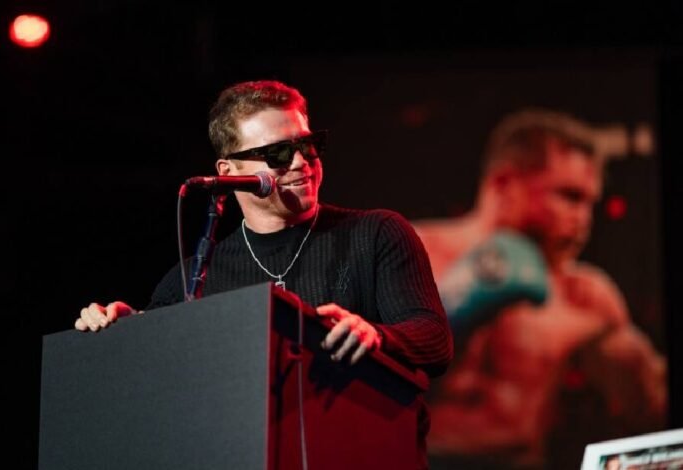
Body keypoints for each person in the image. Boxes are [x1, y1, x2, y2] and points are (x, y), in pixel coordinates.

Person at [74, 80, 454, 469]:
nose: (301, 162)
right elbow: (160, 388)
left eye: (308, 145)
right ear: (229, 171)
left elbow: (434, 339)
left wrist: (377, 335)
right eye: (278, 153)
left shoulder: (375, 234)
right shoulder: (195, 276)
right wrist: (128, 335)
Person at [409, 109, 667, 469]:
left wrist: (638, 375)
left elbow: (650, 413)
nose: (584, 219)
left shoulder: (584, 295)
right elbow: (345, 380)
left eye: (590, 203)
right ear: (504, 184)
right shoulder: (410, 250)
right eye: (569, 196)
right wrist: (448, 306)